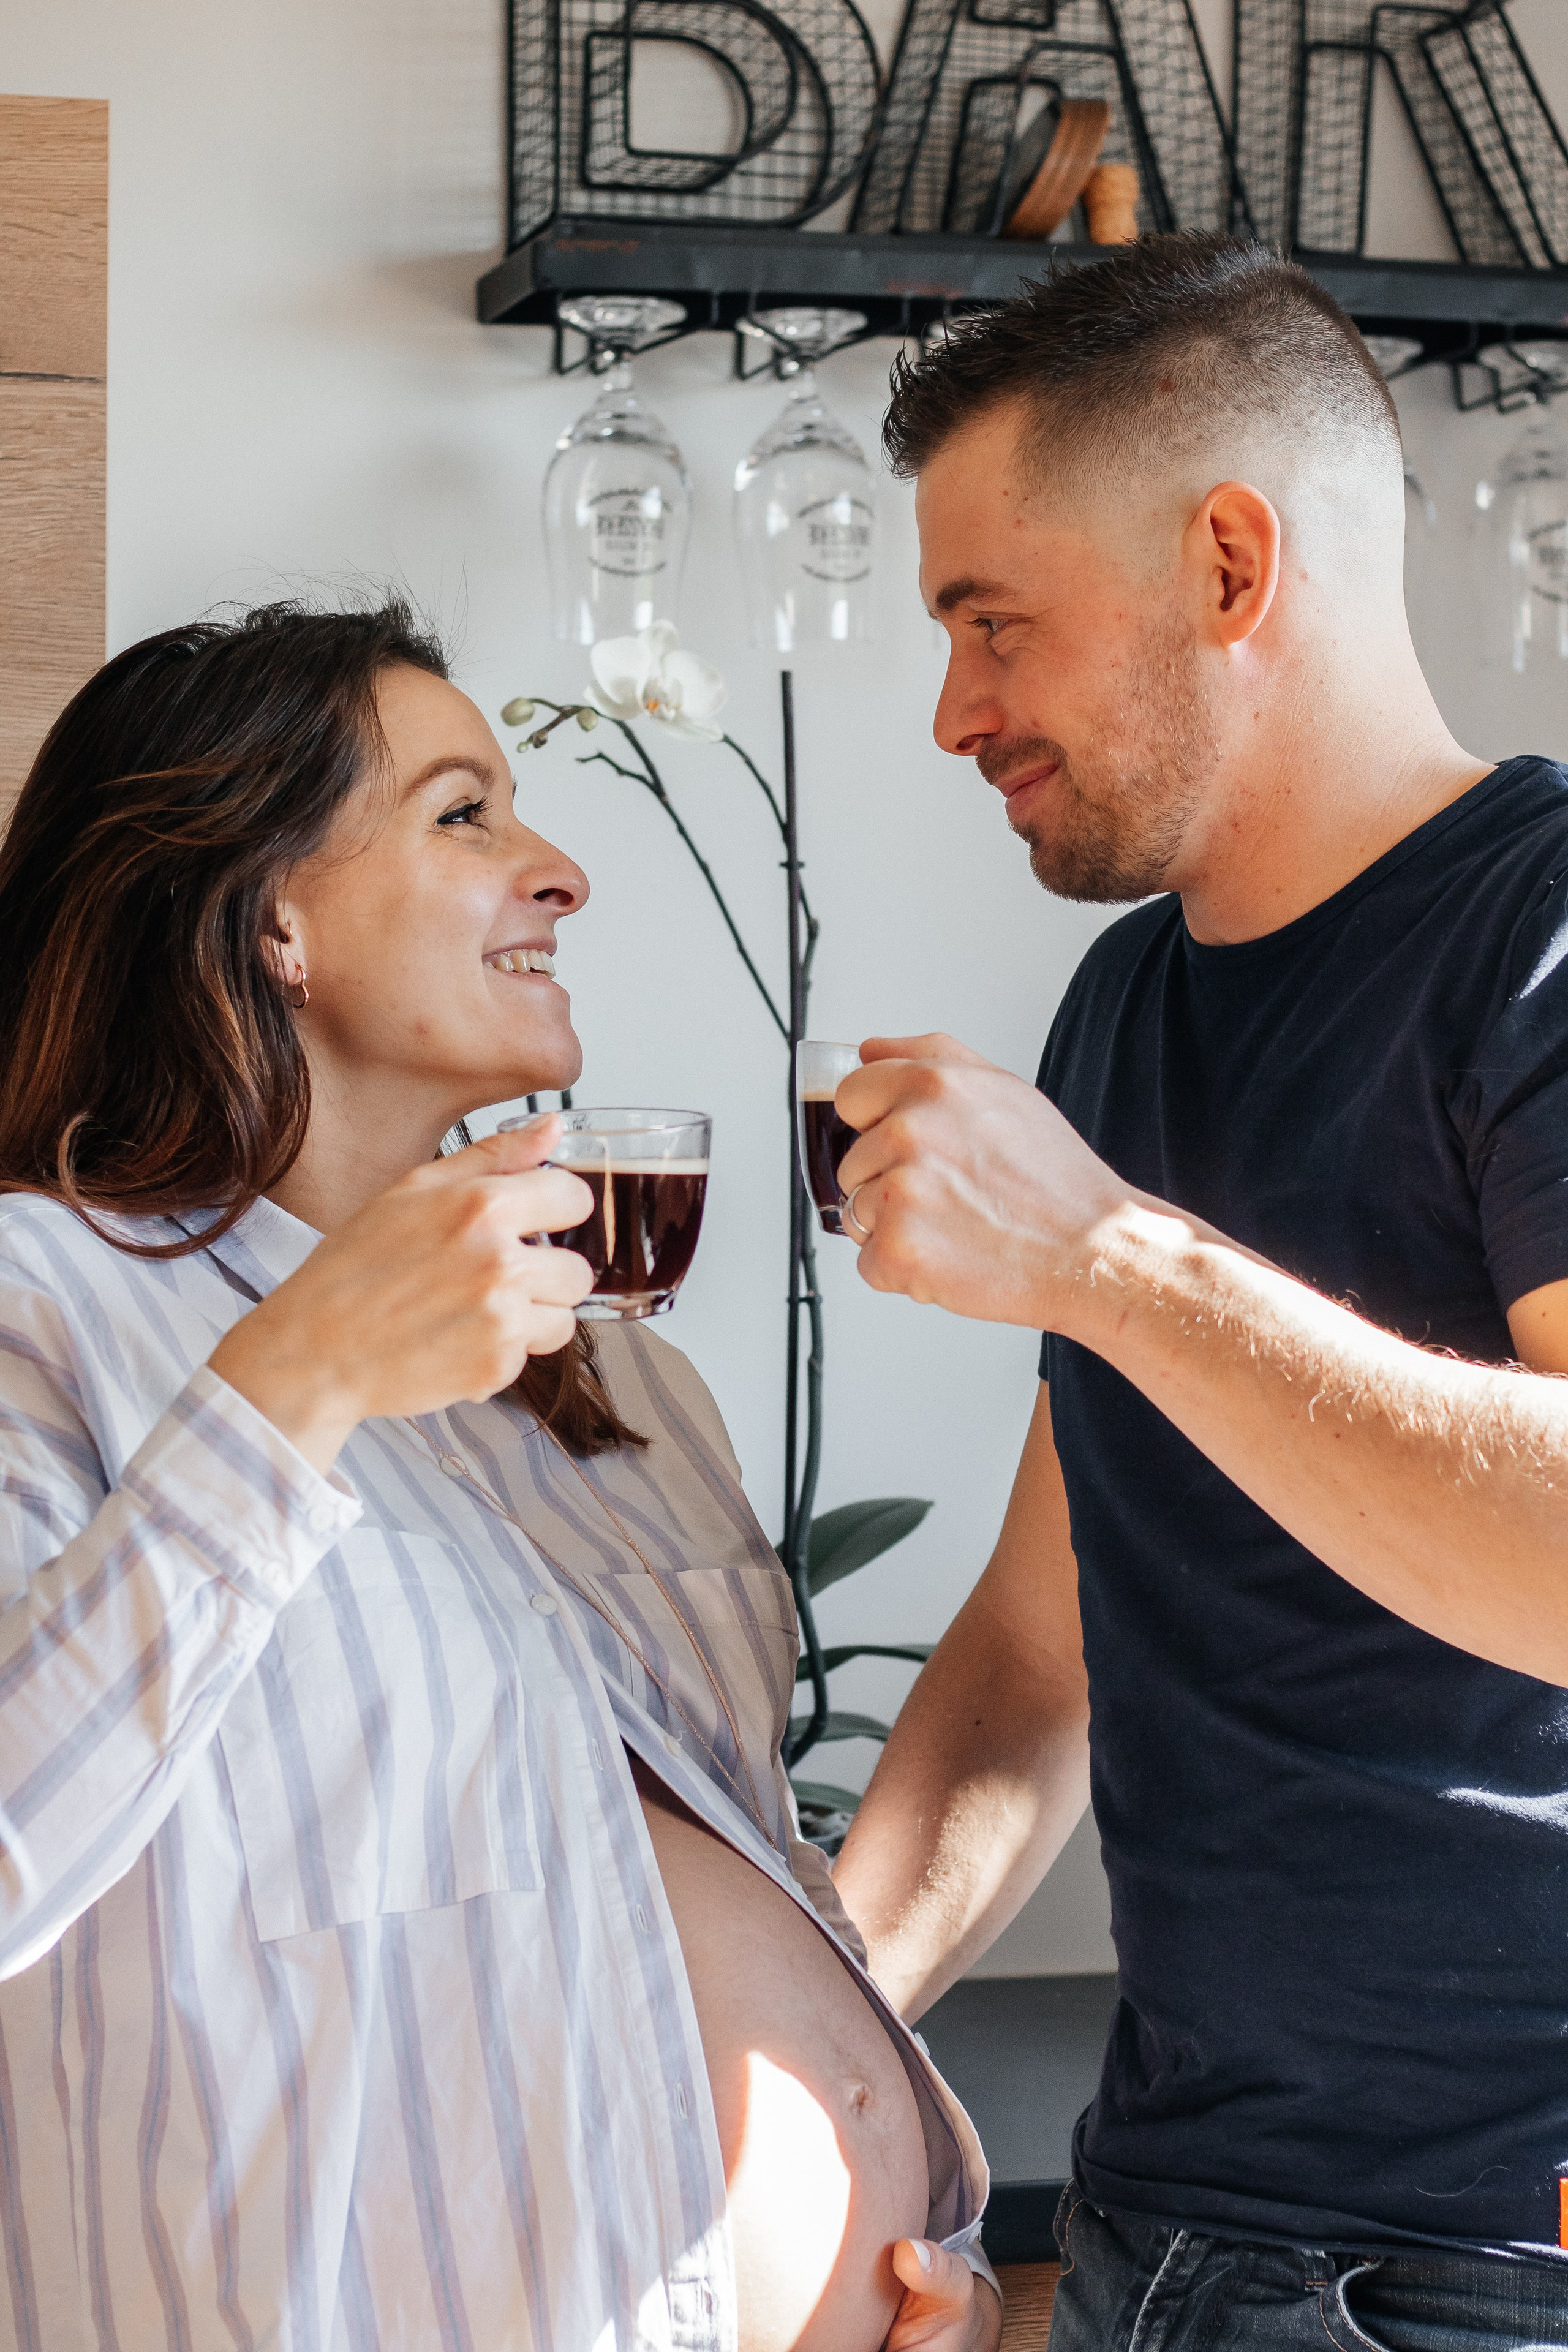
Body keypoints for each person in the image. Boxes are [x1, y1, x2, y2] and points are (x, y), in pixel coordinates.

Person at [0, 599, 1000, 2352]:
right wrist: (296, 1382)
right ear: (271, 915)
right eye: (464, 813)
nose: (562, 875)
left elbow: (728, 1872)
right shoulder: (45, 1308)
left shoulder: (616, 1382)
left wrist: (932, 2238)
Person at [829, 234, 1568, 2350]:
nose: (956, 713)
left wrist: (1104, 1257)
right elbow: (1040, 1649)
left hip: (1484, 2271)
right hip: (1158, 2235)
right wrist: (808, 2047)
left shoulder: (1540, 936)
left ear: (1229, 565)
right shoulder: (1124, 1008)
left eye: (994, 624)